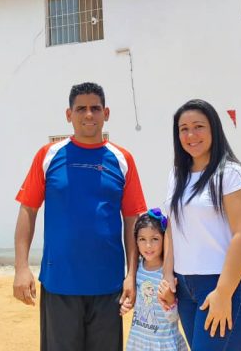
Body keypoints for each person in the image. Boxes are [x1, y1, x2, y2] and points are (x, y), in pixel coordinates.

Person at [13, 82, 147, 351]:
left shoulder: (122, 159)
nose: (88, 114)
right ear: (69, 114)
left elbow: (132, 220)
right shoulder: (48, 155)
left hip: (108, 285)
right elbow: (28, 210)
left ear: (106, 113)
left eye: (95, 108)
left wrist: (132, 275)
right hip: (59, 283)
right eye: (81, 108)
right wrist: (21, 268)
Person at [158, 99, 241, 351]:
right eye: (183, 129)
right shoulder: (177, 175)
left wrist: (223, 293)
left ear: (214, 128)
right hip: (185, 288)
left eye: (198, 126)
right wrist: (168, 275)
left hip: (225, 285)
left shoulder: (232, 174)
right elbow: (172, 228)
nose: (191, 135)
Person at [120, 208, 188, 351]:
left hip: (163, 344)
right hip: (139, 342)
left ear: (165, 240)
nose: (148, 245)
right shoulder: (136, 269)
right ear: (136, 241)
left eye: (155, 239)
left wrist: (170, 301)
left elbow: (174, 318)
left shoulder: (169, 274)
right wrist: (127, 304)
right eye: (142, 239)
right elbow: (136, 301)